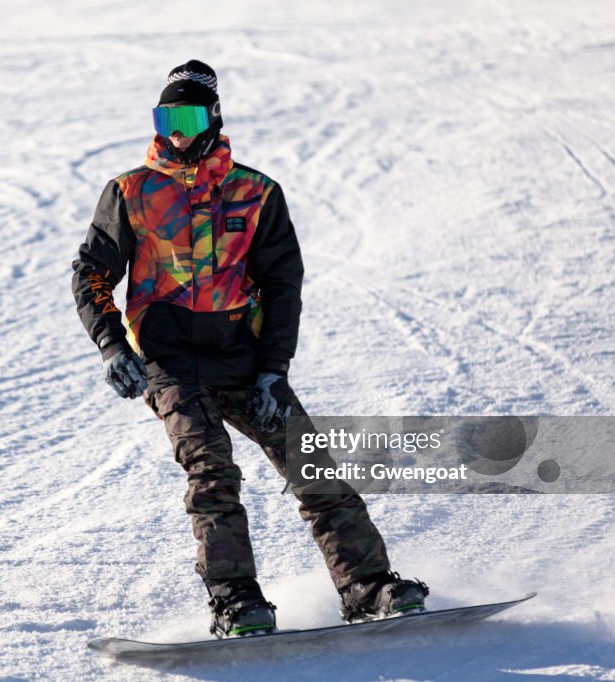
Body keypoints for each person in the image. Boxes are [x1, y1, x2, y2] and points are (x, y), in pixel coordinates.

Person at [71, 60, 427, 638]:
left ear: (212, 117)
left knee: (313, 466)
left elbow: (283, 287)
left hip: (244, 357)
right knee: (211, 470)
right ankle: (236, 599)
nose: (176, 131)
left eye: (185, 116)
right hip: (169, 362)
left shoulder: (256, 193)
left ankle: (367, 585)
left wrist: (272, 372)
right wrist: (113, 345)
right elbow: (91, 272)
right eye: (166, 117)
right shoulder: (131, 192)